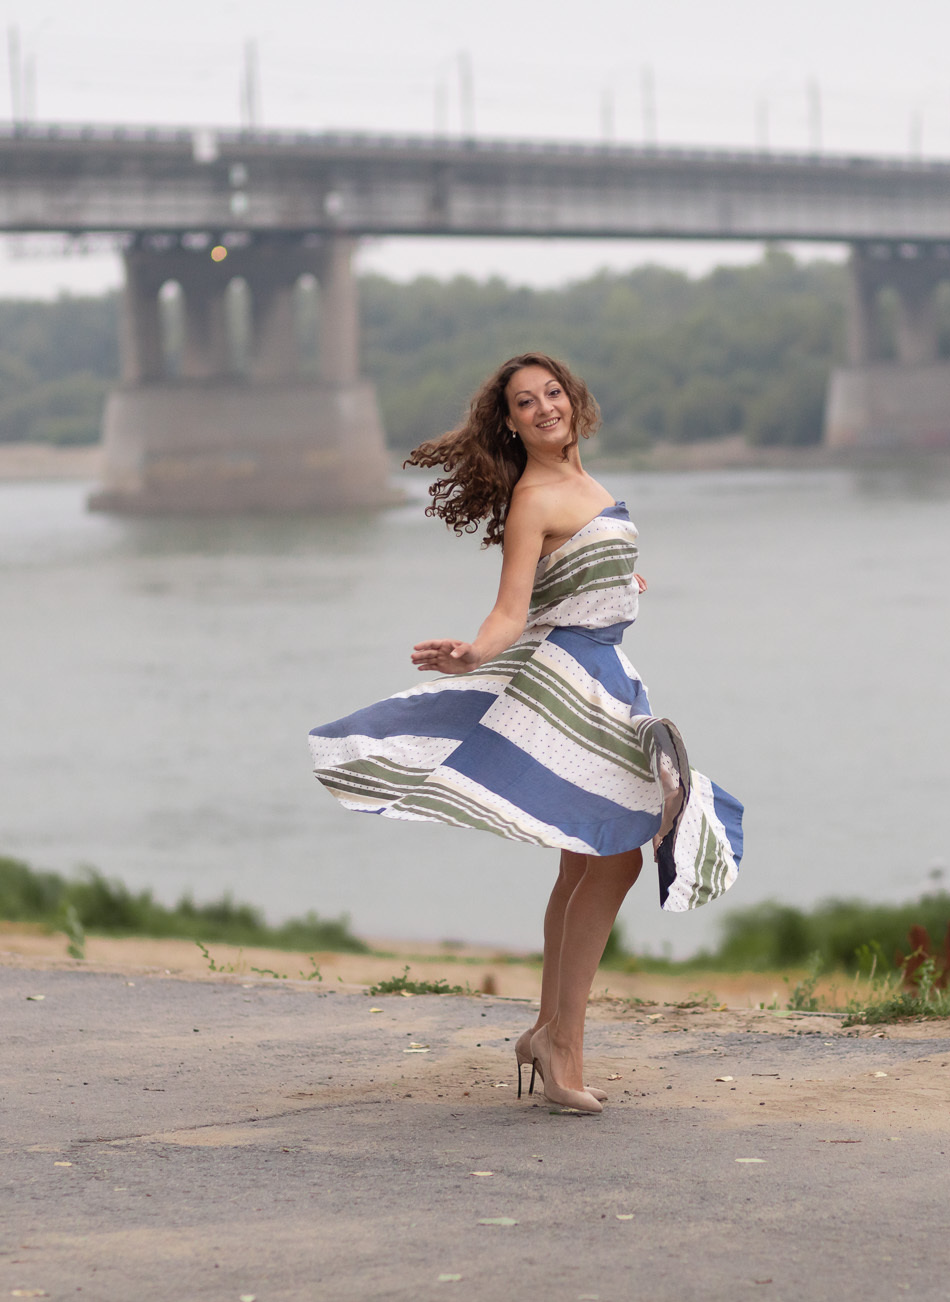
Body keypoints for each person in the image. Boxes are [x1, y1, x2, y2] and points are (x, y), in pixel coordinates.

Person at [309, 352, 744, 1113]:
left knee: (584, 866)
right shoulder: (535, 498)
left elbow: (570, 576)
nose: (544, 408)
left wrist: (615, 583)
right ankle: (562, 1046)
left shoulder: (590, 487)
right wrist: (473, 653)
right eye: (525, 402)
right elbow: (511, 610)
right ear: (509, 422)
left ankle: (549, 1031)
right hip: (571, 682)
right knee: (614, 862)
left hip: (607, 673)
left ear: (572, 400)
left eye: (552, 394)